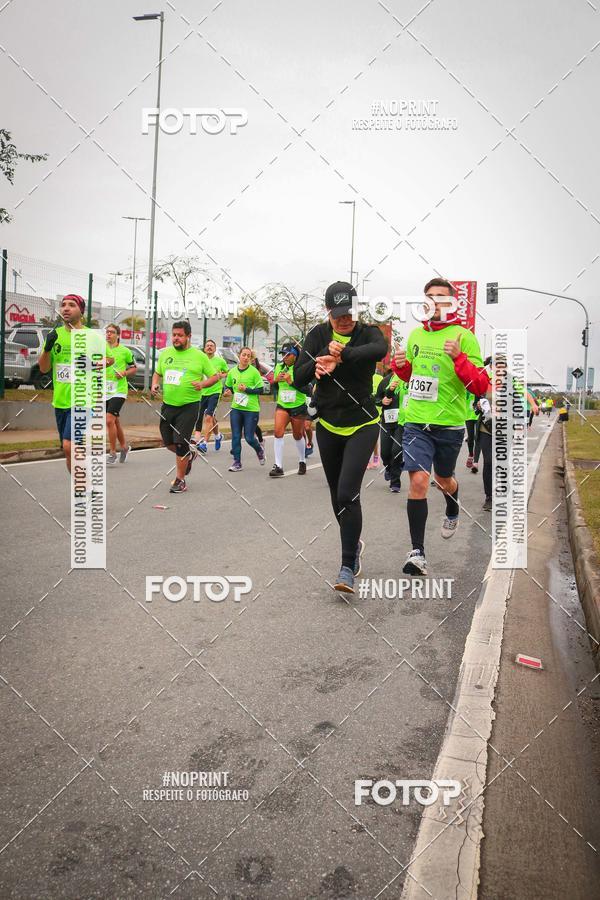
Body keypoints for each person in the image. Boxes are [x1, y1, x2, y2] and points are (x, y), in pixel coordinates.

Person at [391, 277, 490, 575]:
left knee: (443, 479)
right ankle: (417, 553)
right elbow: (411, 377)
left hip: (449, 425)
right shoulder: (415, 337)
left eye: (441, 297)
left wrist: (459, 357)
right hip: (417, 422)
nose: (435, 302)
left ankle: (453, 502)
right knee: (419, 482)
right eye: (430, 297)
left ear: (451, 302)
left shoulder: (464, 336)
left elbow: (480, 385)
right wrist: (400, 365)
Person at [294, 280, 388, 593]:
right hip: (329, 424)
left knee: (348, 493)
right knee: (337, 496)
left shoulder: (368, 332)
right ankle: (354, 542)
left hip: (362, 422)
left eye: (349, 313)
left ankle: (347, 566)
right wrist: (320, 363)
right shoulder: (319, 334)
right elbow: (298, 376)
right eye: (338, 315)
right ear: (328, 312)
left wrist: (343, 354)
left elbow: (378, 350)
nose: (344, 319)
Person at [39, 294, 113, 473]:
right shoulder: (54, 335)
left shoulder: (92, 336)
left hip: (82, 400)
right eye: (63, 305)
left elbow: (110, 359)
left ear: (81, 311)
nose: (66, 308)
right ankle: (84, 487)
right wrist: (47, 349)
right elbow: (43, 368)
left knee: (68, 445)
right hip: (60, 401)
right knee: (70, 451)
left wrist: (93, 364)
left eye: (71, 305)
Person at [151, 321, 219, 493]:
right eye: (174, 335)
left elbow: (215, 377)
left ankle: (180, 480)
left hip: (189, 406)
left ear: (188, 336)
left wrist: (203, 384)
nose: (176, 338)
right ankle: (190, 454)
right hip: (168, 405)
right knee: (168, 443)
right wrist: (154, 384)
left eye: (180, 335)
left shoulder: (199, 356)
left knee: (181, 443)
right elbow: (157, 373)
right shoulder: (166, 354)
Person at [269, 342, 309, 477]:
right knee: (277, 432)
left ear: (295, 355)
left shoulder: (302, 368)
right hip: (283, 405)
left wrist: (291, 382)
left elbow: (308, 390)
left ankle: (302, 460)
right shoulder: (279, 367)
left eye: (288, 354)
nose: (284, 357)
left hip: (298, 406)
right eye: (282, 354)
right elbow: (274, 388)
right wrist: (275, 381)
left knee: (297, 435)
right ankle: (278, 466)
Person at [223, 347, 266, 472]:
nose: (246, 357)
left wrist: (246, 389)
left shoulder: (254, 372)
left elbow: (261, 390)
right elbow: (228, 387)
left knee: (249, 437)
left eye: (248, 356)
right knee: (235, 436)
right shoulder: (232, 372)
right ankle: (237, 462)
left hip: (251, 409)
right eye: (244, 355)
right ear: (239, 356)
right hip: (236, 408)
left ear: (251, 359)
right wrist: (227, 392)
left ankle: (259, 450)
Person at [105, 324, 137, 464]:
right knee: (115, 421)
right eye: (107, 332)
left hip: (119, 390)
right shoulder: (101, 349)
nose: (108, 334)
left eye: (111, 332)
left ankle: (112, 452)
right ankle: (124, 447)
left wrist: (124, 373)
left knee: (109, 420)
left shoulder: (125, 351)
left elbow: (134, 367)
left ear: (118, 335)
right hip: (104, 390)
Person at [195, 339, 228, 452]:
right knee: (209, 417)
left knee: (208, 417)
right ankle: (218, 435)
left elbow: (227, 372)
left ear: (215, 349)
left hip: (215, 392)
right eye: (207, 345)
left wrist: (220, 375)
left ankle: (204, 443)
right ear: (204, 348)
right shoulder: (200, 360)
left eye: (212, 346)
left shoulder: (220, 361)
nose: (209, 347)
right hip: (202, 393)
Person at [376, 369, 406, 493]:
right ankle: (389, 467)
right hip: (387, 421)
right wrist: (381, 401)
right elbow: (376, 398)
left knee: (396, 450)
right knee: (385, 453)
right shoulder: (385, 381)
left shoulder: (408, 379)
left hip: (402, 422)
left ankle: (395, 482)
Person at [367, 370, 384, 469]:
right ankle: (367, 460)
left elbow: (382, 392)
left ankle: (376, 457)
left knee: (373, 437)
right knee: (364, 438)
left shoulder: (379, 378)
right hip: (364, 411)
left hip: (377, 411)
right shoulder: (360, 376)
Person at [464, 391, 478, 467]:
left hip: (478, 415)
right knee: (471, 436)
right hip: (468, 416)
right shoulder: (467, 390)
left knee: (478, 437)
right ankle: (471, 455)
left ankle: (475, 459)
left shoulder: (479, 390)